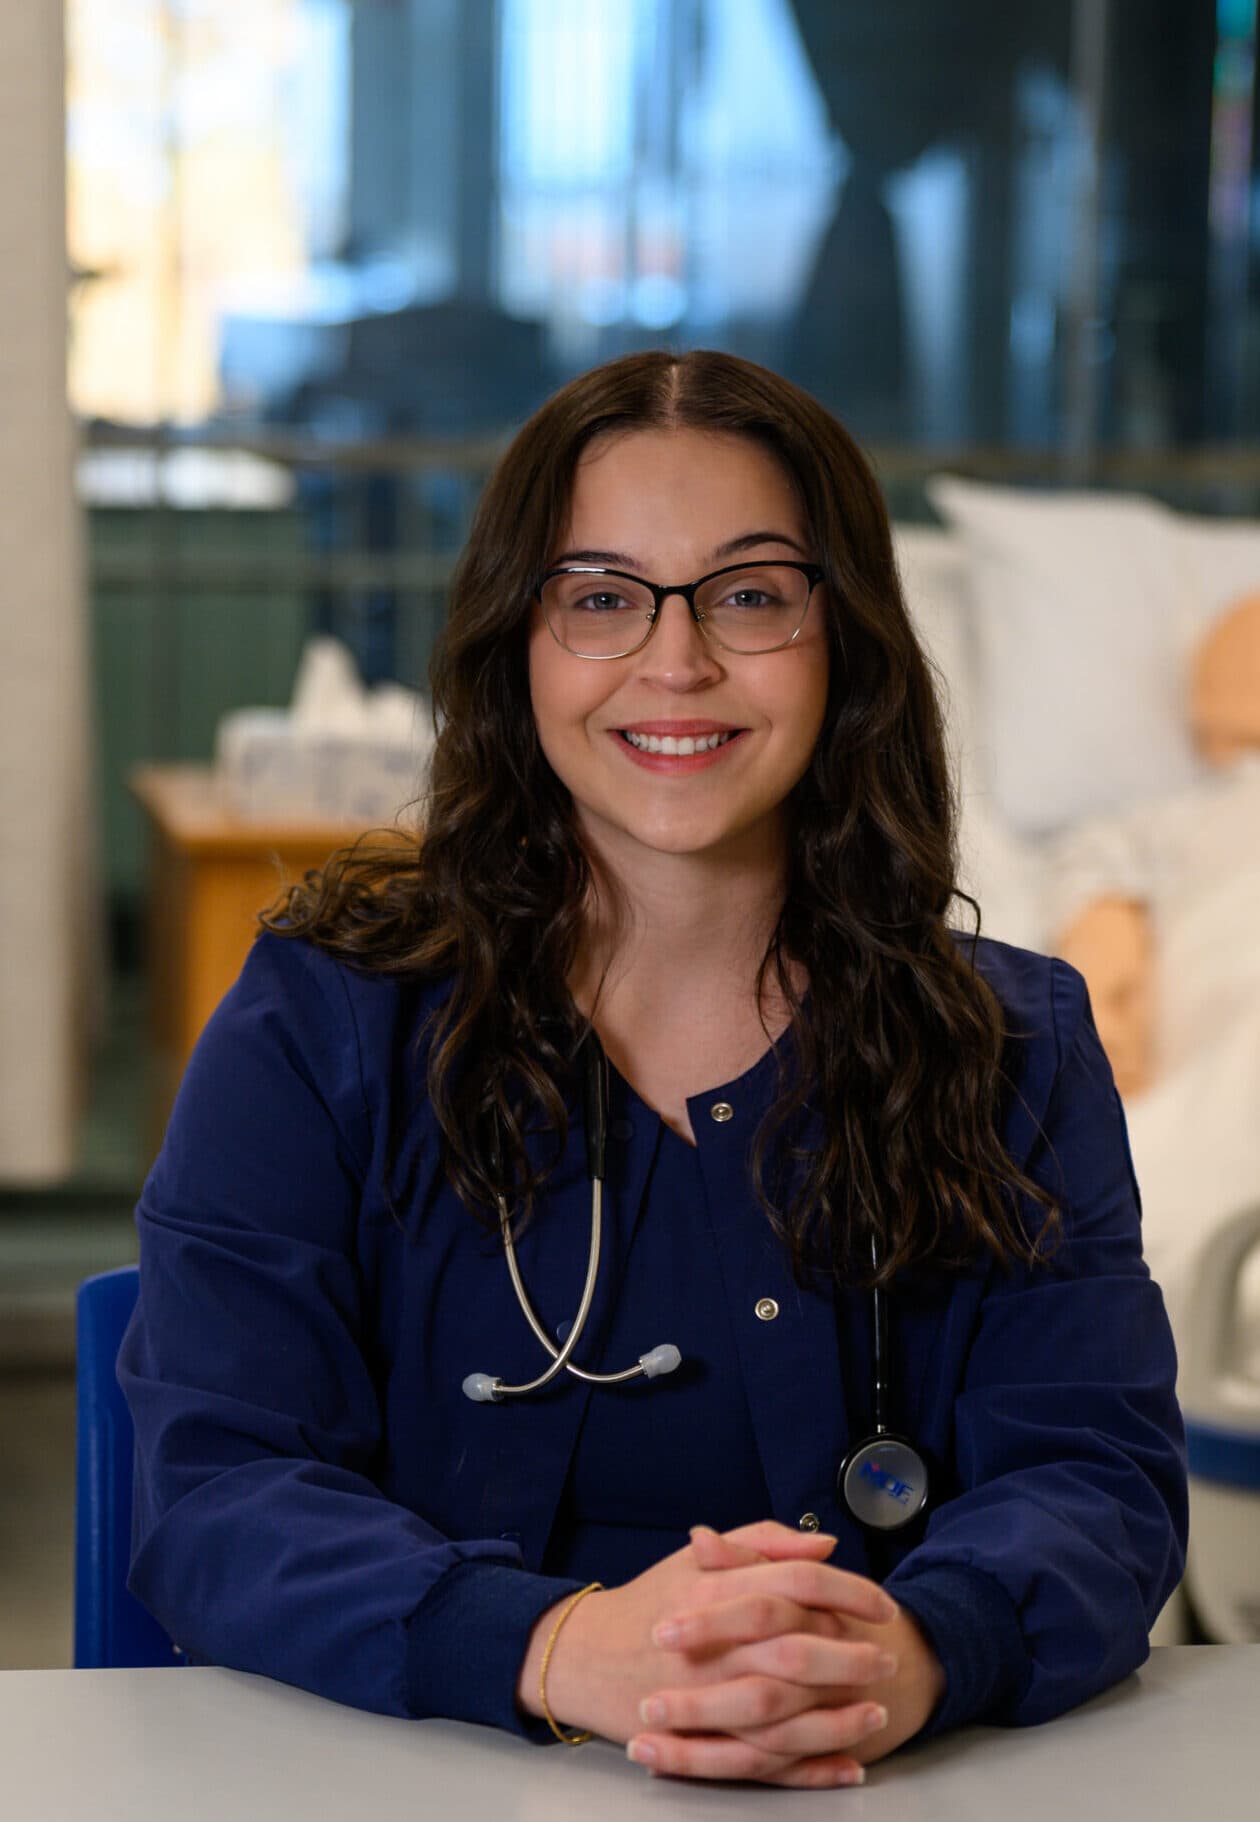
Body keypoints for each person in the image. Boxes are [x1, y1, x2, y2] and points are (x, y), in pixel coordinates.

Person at [118, 349, 1187, 1791]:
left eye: (749, 594)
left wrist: (914, 1649)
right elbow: (216, 1487)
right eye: (603, 597)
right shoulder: (321, 1020)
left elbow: (1098, 1477)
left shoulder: (1016, 1047)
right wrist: (560, 1647)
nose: (675, 662)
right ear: (524, 645)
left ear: (845, 639)